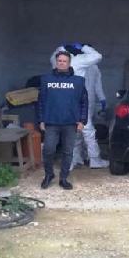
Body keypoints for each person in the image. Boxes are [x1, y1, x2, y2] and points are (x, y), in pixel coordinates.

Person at [50, 43, 109, 169]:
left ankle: (73, 159)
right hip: (80, 101)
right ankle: (94, 159)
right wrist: (83, 47)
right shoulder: (80, 61)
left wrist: (61, 47)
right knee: (88, 131)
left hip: (67, 101)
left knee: (72, 130)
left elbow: (53, 58)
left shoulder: (59, 62)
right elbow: (97, 56)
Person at [38, 50, 88, 190]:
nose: (61, 63)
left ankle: (64, 178)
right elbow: (41, 101)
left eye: (64, 61)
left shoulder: (78, 81)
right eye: (59, 61)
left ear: (69, 63)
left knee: (68, 152)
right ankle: (49, 175)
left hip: (70, 123)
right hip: (51, 122)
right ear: (56, 62)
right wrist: (41, 120)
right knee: (48, 150)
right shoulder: (46, 80)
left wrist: (82, 121)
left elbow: (84, 102)